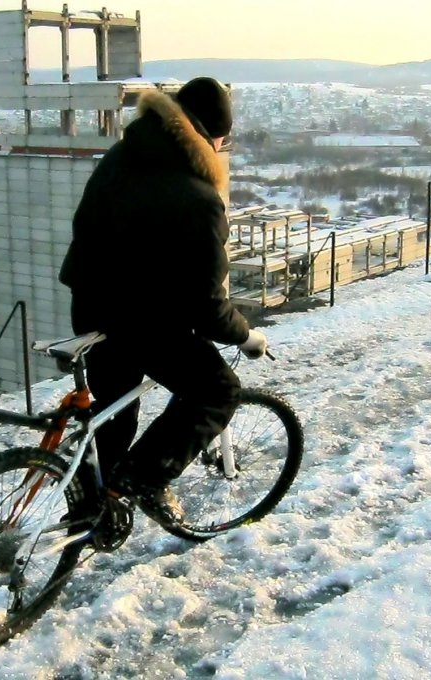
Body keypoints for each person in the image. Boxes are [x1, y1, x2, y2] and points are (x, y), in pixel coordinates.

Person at [58, 76, 268, 525]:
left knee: (115, 411)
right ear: (215, 137)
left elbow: (89, 228)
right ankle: (147, 480)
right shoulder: (199, 198)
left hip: (91, 304)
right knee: (217, 389)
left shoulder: (123, 155)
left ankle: (93, 513)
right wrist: (246, 336)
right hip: (143, 322)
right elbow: (208, 307)